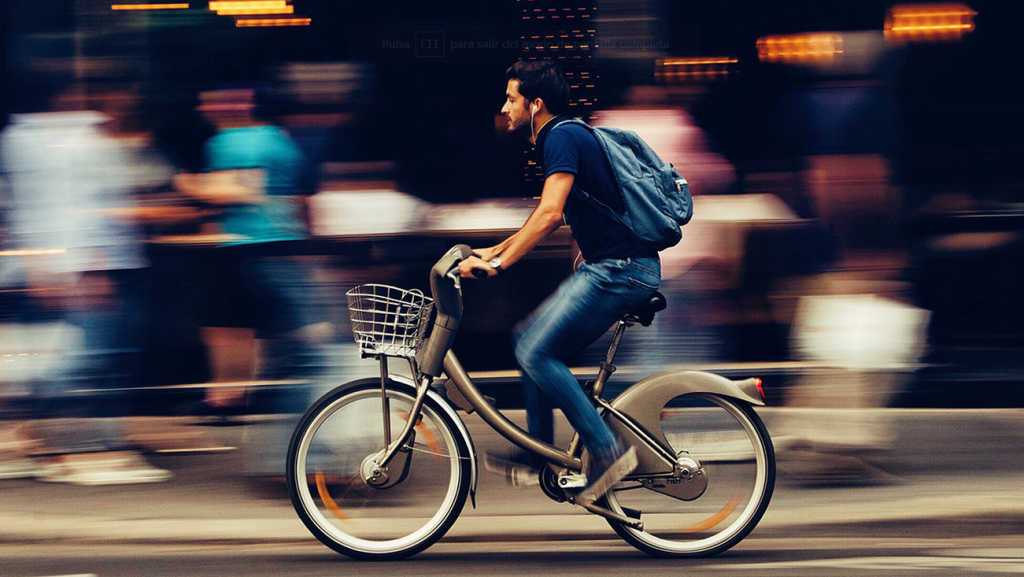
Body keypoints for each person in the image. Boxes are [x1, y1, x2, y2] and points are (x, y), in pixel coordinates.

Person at [458, 61, 662, 505]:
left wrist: (500, 265)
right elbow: (548, 219)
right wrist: (493, 250)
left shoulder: (562, 136)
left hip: (620, 269)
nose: (504, 107)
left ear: (535, 104)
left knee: (535, 350)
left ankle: (608, 452)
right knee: (526, 338)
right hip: (611, 267)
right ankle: (540, 455)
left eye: (511, 99)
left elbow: (549, 213)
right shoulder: (565, 135)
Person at [0, 79, 171, 485]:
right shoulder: (56, 140)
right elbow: (61, 205)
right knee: (84, 359)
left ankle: (92, 445)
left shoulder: (37, 137)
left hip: (99, 262)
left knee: (102, 355)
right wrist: (81, 265)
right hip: (86, 264)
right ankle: (78, 450)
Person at [173, 86, 331, 479]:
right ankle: (292, 455)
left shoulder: (227, 141)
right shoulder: (283, 142)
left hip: (242, 252)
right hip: (280, 251)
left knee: (292, 350)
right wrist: (310, 247)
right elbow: (296, 200)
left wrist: (185, 184)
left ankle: (272, 442)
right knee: (307, 350)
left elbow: (231, 193)